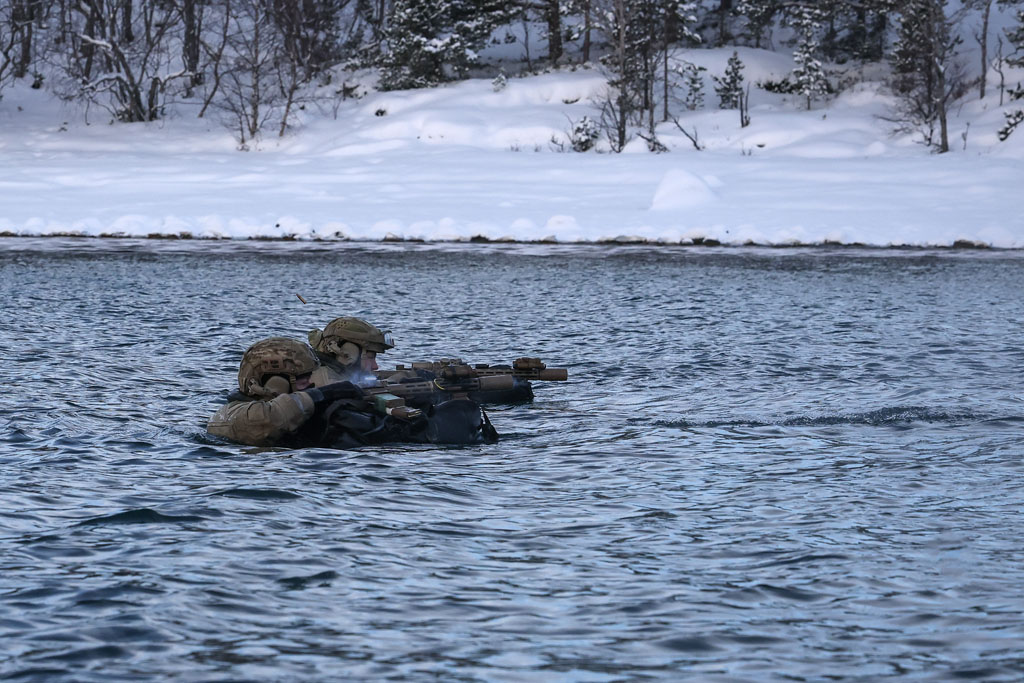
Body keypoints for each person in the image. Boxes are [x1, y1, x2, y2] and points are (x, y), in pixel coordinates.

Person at [207, 337, 361, 447]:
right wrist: (324, 393)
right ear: (275, 383)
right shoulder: (231, 414)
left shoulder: (295, 414)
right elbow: (269, 418)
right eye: (303, 380)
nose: (311, 384)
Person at [307, 316, 394, 386]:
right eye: (370, 357)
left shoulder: (339, 373)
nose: (375, 366)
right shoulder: (325, 379)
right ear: (349, 353)